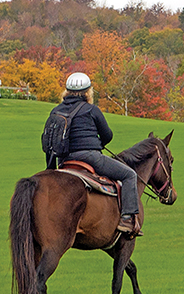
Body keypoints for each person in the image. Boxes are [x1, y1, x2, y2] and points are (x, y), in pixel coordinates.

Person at [53, 72, 142, 236]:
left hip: (64, 160)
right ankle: (127, 219)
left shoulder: (56, 110)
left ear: (66, 92)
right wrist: (97, 144)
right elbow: (107, 135)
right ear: (88, 92)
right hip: (90, 158)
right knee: (129, 175)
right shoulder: (92, 110)